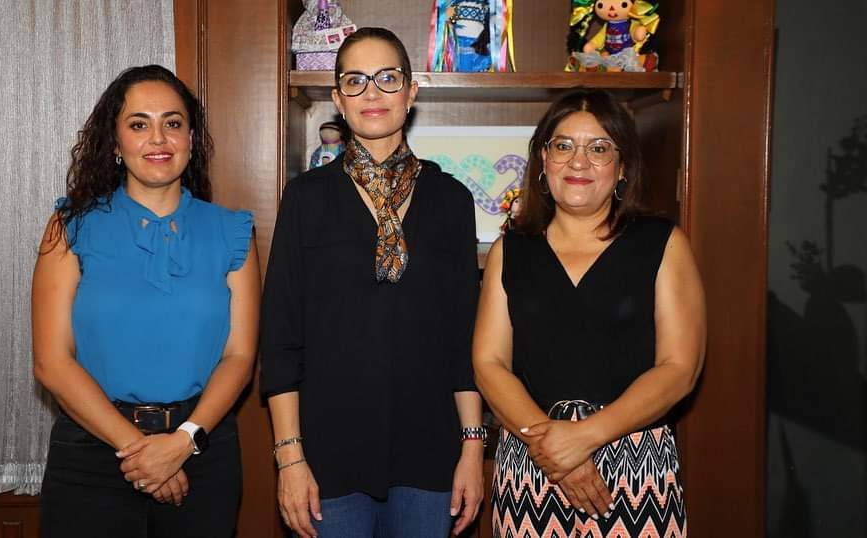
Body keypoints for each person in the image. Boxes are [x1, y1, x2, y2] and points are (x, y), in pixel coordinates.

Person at [261, 27, 484, 538]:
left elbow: (463, 336)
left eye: (387, 78)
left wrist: (473, 448)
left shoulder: (451, 199)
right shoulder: (306, 198)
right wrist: (289, 458)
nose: (372, 93)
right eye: (355, 81)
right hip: (327, 456)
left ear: (411, 90)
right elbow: (281, 338)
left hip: (430, 453)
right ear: (338, 99)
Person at [32, 64, 260, 538]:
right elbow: (52, 362)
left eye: (172, 123)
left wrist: (182, 442)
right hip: (92, 454)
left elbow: (239, 357)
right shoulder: (70, 227)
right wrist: (143, 452)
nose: (158, 138)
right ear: (115, 143)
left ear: (191, 139)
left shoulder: (233, 231)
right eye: (139, 124)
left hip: (202, 452)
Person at [472, 89, 704, 538]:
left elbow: (680, 368)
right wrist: (552, 446)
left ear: (622, 166)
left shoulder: (663, 243)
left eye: (599, 148)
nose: (578, 162)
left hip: (635, 465)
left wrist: (584, 437)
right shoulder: (510, 250)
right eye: (563, 146)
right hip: (532, 462)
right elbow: (488, 363)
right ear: (543, 160)